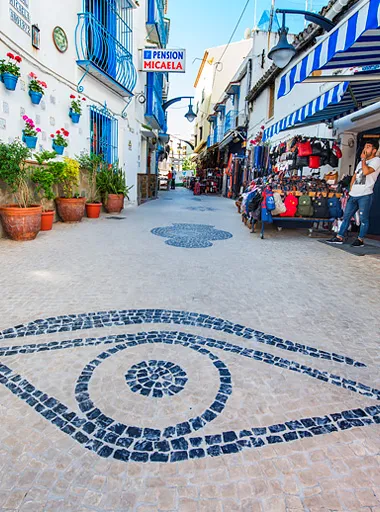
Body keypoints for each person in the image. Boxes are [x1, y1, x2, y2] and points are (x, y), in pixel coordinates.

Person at [327, 139, 380, 247]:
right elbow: (355, 176)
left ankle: (360, 239)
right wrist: (351, 189)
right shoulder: (360, 162)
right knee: (346, 217)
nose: (365, 149)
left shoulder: (376, 161)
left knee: (363, 218)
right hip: (354, 194)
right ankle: (339, 236)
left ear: (374, 150)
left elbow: (366, 172)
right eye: (365, 146)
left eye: (368, 147)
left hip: (365, 194)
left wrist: (364, 159)